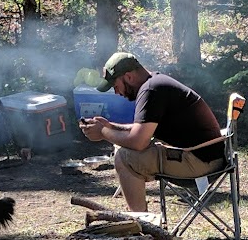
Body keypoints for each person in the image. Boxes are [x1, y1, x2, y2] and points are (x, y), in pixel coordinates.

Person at [79, 51, 224, 212]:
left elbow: (138, 142)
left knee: (124, 157)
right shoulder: (154, 84)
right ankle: (141, 221)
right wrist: (110, 126)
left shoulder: (151, 90)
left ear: (128, 77)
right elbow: (142, 130)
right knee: (124, 150)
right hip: (206, 157)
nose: (117, 92)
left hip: (200, 163)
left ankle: (140, 225)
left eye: (116, 86)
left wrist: (103, 133)